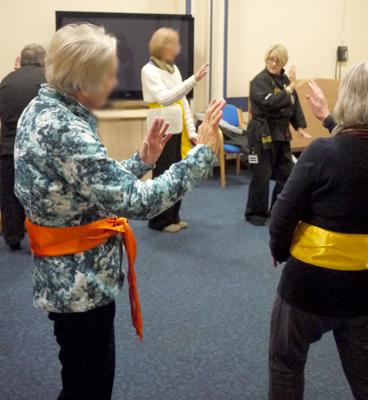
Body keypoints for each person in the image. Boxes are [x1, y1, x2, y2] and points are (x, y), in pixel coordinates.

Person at [14, 23, 224, 400]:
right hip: (79, 285)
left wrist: (140, 160)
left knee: (80, 377)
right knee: (89, 386)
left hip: (68, 278)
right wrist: (202, 155)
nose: (113, 82)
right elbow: (137, 201)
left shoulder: (44, 108)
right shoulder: (65, 129)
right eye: (108, 74)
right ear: (84, 79)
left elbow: (84, 187)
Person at [268, 59, 368, 400]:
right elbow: (365, 150)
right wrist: (328, 119)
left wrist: (280, 251)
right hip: (367, 290)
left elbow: (283, 213)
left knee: (286, 365)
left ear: (351, 97)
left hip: (307, 287)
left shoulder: (321, 152)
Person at [141, 27, 208, 233]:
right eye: (173, 45)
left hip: (179, 129)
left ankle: (173, 217)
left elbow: (182, 102)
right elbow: (165, 98)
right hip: (161, 129)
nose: (177, 49)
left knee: (178, 174)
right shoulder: (149, 70)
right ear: (162, 47)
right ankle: (159, 221)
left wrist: (192, 131)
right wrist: (193, 80)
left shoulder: (174, 69)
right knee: (163, 176)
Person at [245, 44, 310, 226]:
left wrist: (299, 126)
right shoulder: (259, 81)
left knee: (287, 175)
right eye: (270, 59)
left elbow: (293, 104)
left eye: (277, 61)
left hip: (281, 134)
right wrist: (289, 90)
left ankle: (276, 209)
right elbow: (269, 103)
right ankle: (255, 213)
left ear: (283, 63)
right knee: (261, 175)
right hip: (261, 134)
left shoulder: (284, 80)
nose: (273, 63)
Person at [0, 44, 46, 250]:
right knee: (40, 195)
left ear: (20, 59)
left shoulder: (6, 82)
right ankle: (42, 238)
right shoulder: (48, 82)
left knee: (9, 196)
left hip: (9, 150)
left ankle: (12, 238)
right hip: (39, 151)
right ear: (42, 61)